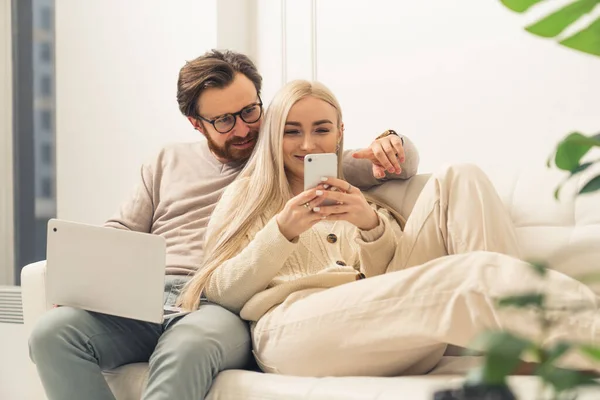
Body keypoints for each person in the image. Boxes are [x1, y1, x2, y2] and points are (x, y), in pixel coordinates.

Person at [27, 50, 421, 400]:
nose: (245, 129)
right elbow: (121, 231)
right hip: (147, 297)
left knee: (188, 345)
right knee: (52, 333)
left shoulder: (289, 153)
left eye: (250, 111)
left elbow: (385, 162)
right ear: (197, 124)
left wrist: (393, 138)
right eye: (225, 120)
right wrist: (86, 282)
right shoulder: (165, 161)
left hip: (219, 302)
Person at [180, 79, 600, 378]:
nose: (308, 145)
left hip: (376, 317)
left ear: (340, 134)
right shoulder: (246, 196)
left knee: (461, 175)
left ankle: (512, 342)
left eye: (321, 130)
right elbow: (220, 290)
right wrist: (282, 231)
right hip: (296, 330)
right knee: (470, 275)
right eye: (292, 132)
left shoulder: (352, 183)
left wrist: (370, 225)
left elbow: (389, 281)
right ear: (273, 138)